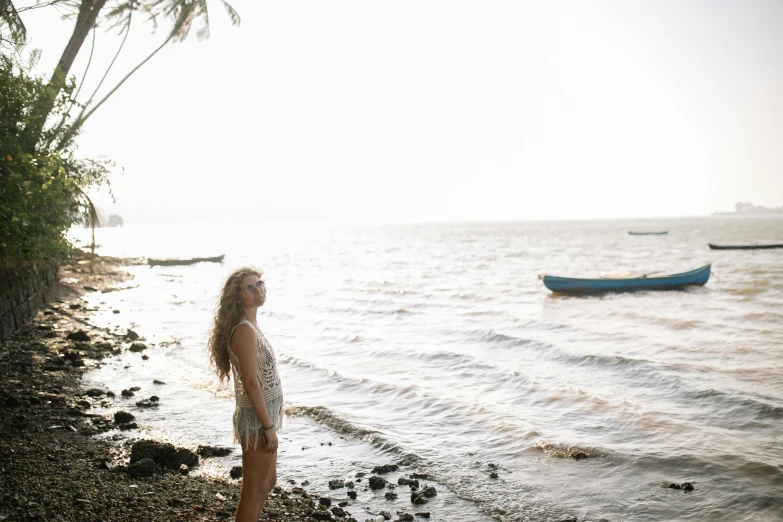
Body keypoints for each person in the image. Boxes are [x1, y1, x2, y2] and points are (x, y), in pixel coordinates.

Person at [208, 267, 284, 522]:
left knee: (268, 482)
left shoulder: (252, 326)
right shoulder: (244, 331)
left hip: (263, 415)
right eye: (249, 287)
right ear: (237, 296)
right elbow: (251, 383)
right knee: (252, 491)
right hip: (256, 419)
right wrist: (268, 426)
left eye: (260, 284)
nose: (258, 290)